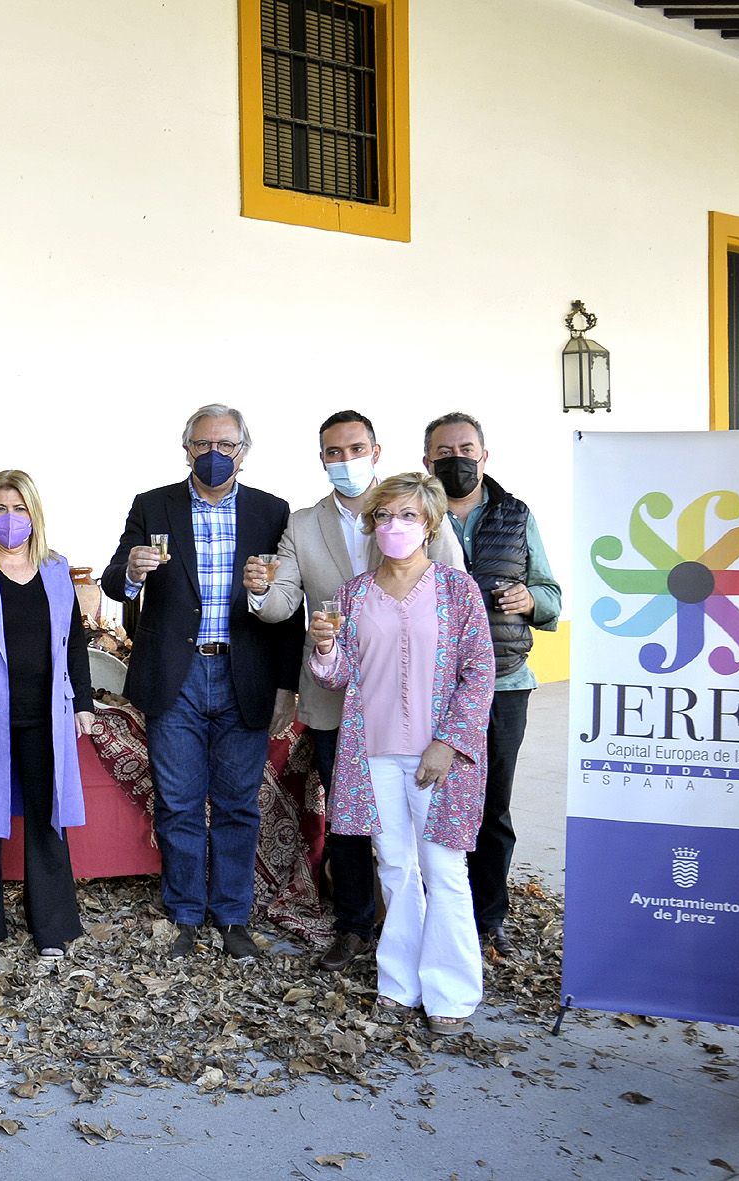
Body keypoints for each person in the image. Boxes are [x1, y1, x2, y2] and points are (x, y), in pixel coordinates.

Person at [245, 410, 463, 972]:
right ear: (321, 460)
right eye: (334, 453)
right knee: (349, 819)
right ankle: (354, 927)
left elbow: (457, 603)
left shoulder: (411, 512)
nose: (346, 460)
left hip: (416, 703)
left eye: (356, 448)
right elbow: (283, 603)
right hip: (333, 696)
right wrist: (261, 592)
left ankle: (426, 932)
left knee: (420, 829)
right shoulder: (302, 524)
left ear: (376, 449)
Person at [100, 404, 304, 962]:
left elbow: (292, 605)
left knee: (239, 804)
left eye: (227, 445)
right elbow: (115, 582)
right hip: (177, 676)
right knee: (179, 802)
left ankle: (233, 914)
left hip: (247, 674)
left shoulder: (271, 511)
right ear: (186, 448)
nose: (215, 454)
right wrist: (133, 572)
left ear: (244, 451)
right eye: (202, 444)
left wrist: (288, 683)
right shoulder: (153, 504)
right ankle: (186, 911)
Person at [307, 471, 494, 1035]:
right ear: (372, 524)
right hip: (374, 754)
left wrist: (449, 742)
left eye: (408, 516)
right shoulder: (354, 594)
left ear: (430, 524)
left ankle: (452, 994)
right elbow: (340, 677)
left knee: (443, 868)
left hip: (441, 756)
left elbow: (479, 671)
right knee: (394, 866)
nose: (395, 526)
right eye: (385, 516)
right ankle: (399, 981)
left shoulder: (458, 591)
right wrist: (323, 646)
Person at [0, 470, 96, 963]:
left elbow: (75, 644)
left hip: (45, 711)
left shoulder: (56, 568)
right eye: (1, 509)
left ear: (35, 514)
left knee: (48, 817)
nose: (10, 519)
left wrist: (85, 703)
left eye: (19, 509)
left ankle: (52, 927)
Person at [422, 412, 562, 959]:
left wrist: (531, 601)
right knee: (431, 801)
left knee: (491, 804)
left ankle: (488, 915)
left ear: (485, 455)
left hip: (504, 682)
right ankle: (434, 907)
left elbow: (550, 592)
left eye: (466, 448)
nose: (456, 458)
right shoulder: (418, 515)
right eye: (443, 450)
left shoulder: (515, 515)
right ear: (426, 459)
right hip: (432, 687)